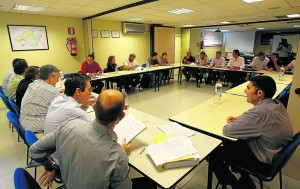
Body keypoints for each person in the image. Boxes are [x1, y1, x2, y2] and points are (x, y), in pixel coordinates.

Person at [29, 89, 157, 189]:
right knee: (150, 182)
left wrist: (50, 167)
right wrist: (122, 154)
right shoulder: (117, 155)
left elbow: (34, 150)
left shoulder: (68, 125)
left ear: (95, 108)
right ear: (122, 116)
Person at [211, 75, 293, 189]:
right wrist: (241, 118)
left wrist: (237, 123)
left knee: (214, 153)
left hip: (263, 162)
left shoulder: (260, 113)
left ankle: (237, 185)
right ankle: (245, 178)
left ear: (259, 93)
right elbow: (254, 113)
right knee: (232, 143)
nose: (245, 91)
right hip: (275, 152)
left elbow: (227, 130)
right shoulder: (275, 104)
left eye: (248, 88)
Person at [44, 74, 94, 165]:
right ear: (78, 91)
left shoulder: (59, 98)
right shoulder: (72, 109)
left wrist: (84, 106)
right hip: (65, 162)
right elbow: (99, 128)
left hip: (53, 154)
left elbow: (72, 114)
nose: (90, 93)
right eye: (89, 89)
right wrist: (98, 108)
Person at [20, 64, 61, 133]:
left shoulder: (33, 84)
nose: (57, 81)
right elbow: (65, 109)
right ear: (51, 77)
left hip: (26, 123)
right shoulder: (51, 91)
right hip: (37, 129)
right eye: (57, 78)